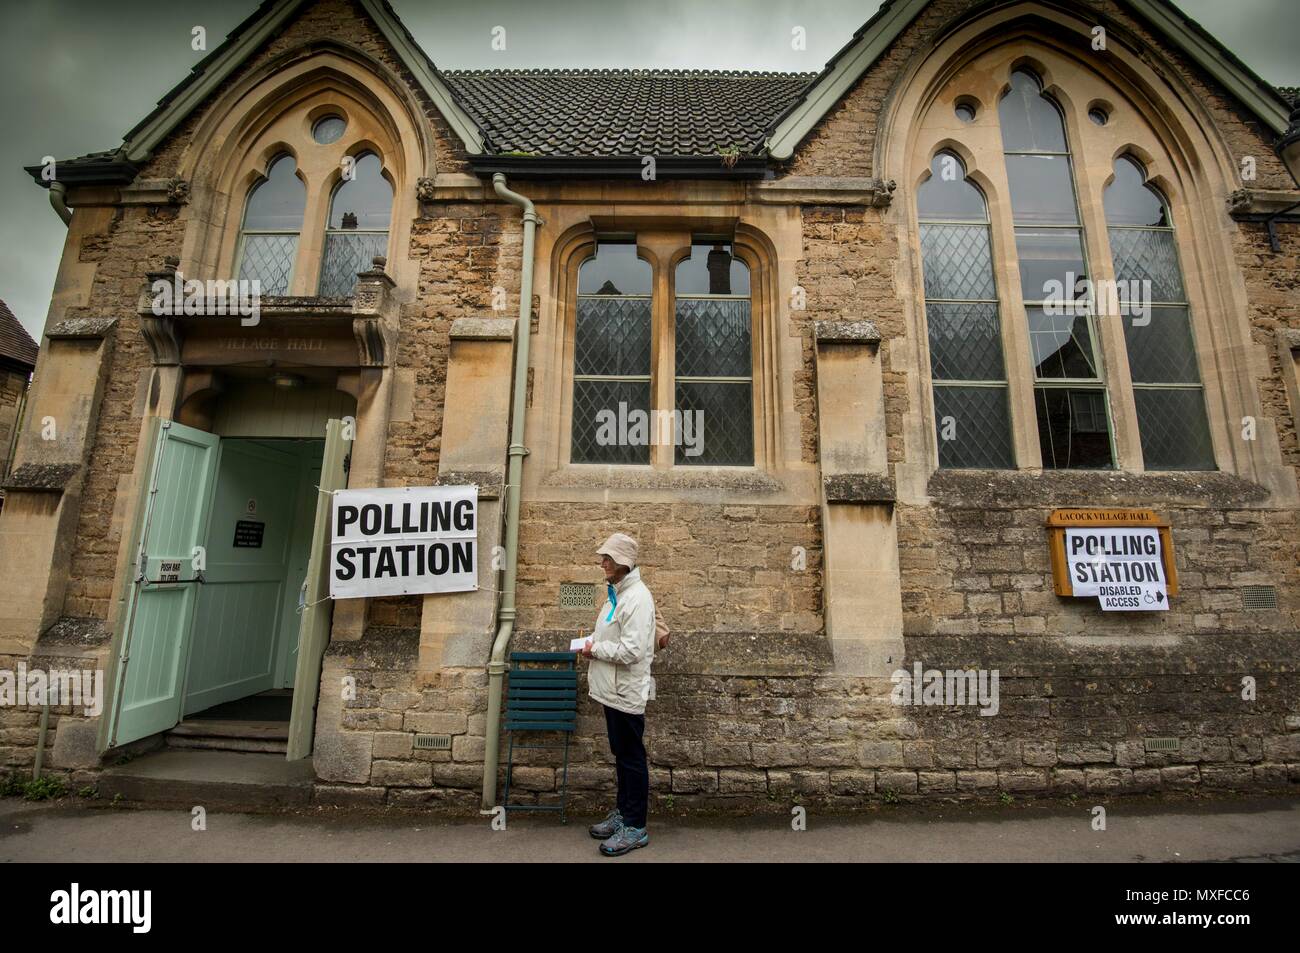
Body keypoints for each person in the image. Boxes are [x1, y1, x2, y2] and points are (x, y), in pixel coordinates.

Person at [577, 531, 661, 856]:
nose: (602, 563)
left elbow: (632, 650)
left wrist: (594, 648)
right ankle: (623, 815)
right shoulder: (618, 594)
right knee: (622, 755)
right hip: (613, 691)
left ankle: (635, 827)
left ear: (623, 563)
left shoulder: (637, 598)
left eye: (608, 559)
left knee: (632, 758)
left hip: (625, 692)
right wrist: (594, 643)